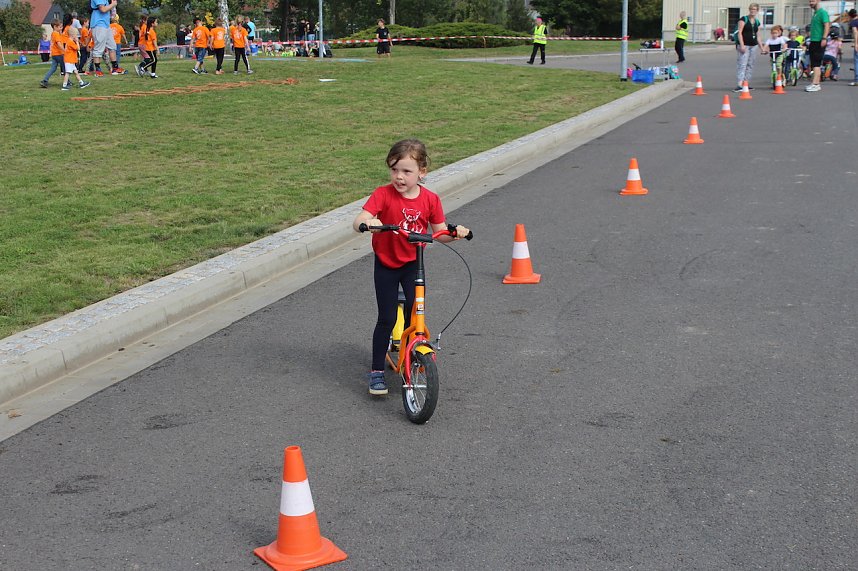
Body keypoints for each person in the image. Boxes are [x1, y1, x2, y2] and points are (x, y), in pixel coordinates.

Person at [351, 139, 470, 396]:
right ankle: (376, 372)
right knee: (386, 318)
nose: (399, 176)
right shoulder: (383, 194)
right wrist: (367, 223)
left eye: (406, 171)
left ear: (422, 172)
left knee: (416, 317)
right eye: (394, 170)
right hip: (386, 264)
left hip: (413, 263)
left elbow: (440, 232)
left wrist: (455, 233)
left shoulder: (430, 199)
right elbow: (360, 218)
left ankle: (411, 359)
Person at [90, 0, 126, 76]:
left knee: (112, 46)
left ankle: (115, 68)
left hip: (106, 25)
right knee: (98, 48)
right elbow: (103, 9)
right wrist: (113, 4)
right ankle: (98, 70)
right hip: (99, 24)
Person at [733, 3, 761, 92]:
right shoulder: (743, 19)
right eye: (751, 9)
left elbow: (758, 35)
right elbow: (739, 32)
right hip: (745, 45)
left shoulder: (757, 22)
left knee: (750, 64)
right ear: (749, 9)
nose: (753, 11)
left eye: (755, 9)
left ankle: (746, 83)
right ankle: (739, 84)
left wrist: (762, 47)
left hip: (753, 45)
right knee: (742, 64)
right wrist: (742, 45)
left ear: (757, 11)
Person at [805, 0, 830, 92]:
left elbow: (827, 25)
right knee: (814, 63)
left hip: (819, 41)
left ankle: (816, 84)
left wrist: (824, 38)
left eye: (813, 1)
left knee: (816, 63)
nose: (811, 3)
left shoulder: (822, 13)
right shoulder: (815, 13)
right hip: (813, 40)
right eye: (810, 1)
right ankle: (815, 83)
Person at [61, 27, 91, 91]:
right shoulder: (70, 42)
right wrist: (77, 42)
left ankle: (81, 83)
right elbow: (78, 48)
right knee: (68, 73)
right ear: (73, 35)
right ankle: (64, 85)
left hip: (71, 60)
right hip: (69, 60)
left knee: (76, 72)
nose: (77, 36)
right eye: (76, 35)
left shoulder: (69, 41)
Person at [39, 19, 65, 88]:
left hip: (54, 54)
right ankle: (67, 82)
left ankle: (45, 80)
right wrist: (64, 50)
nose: (61, 28)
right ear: (55, 27)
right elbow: (59, 44)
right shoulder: (56, 34)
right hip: (59, 54)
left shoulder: (53, 34)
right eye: (60, 27)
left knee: (53, 68)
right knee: (65, 68)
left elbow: (52, 44)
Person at [849, 10, 858, 85]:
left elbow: (855, 32)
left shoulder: (853, 22)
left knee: (857, 60)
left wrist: (856, 44)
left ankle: (857, 80)